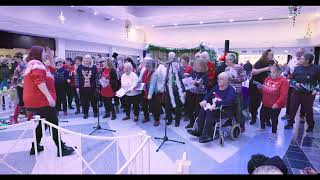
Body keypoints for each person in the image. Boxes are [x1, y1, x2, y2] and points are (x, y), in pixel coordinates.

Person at [23, 45, 74, 156]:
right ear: (37, 53)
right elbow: (39, 81)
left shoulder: (38, 65)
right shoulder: (36, 63)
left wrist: (50, 57)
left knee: (43, 123)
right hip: (41, 100)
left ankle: (35, 146)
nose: (44, 54)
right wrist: (49, 97)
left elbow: (53, 69)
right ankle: (61, 148)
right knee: (53, 123)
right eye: (43, 52)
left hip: (36, 100)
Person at [187, 72, 236, 143]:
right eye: (218, 78)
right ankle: (199, 130)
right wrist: (205, 100)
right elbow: (208, 94)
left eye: (221, 79)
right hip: (213, 108)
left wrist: (216, 103)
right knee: (204, 108)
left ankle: (207, 134)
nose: (218, 80)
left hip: (224, 110)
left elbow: (228, 101)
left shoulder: (230, 90)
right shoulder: (216, 87)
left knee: (209, 111)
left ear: (227, 81)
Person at [285, 53, 320, 132]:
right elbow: (292, 79)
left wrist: (316, 89)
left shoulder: (316, 69)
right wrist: (295, 83)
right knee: (292, 108)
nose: (300, 59)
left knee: (308, 110)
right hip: (296, 92)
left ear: (307, 61)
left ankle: (310, 125)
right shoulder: (297, 68)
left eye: (302, 58)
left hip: (309, 94)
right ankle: (290, 123)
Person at [257, 64, 289, 138]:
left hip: (275, 104)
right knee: (262, 115)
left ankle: (274, 132)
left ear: (279, 72)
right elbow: (264, 90)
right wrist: (260, 88)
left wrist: (277, 104)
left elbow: (283, 95)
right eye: (270, 72)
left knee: (274, 118)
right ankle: (262, 128)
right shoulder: (268, 78)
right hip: (265, 102)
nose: (271, 74)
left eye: (274, 72)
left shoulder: (283, 81)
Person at [249, 49, 274, 125]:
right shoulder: (259, 62)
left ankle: (267, 119)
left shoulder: (272, 63)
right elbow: (253, 72)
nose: (272, 56)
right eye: (270, 54)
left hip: (266, 86)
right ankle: (254, 117)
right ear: (265, 55)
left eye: (272, 55)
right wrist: (265, 69)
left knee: (267, 103)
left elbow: (274, 73)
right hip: (255, 85)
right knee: (254, 103)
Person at [224, 53, 248, 133]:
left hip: (237, 92)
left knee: (238, 109)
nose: (226, 60)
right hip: (228, 91)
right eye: (226, 59)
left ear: (232, 60)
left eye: (227, 59)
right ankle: (230, 121)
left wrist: (234, 78)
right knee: (229, 107)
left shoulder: (239, 67)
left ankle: (241, 124)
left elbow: (244, 78)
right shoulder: (227, 69)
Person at [281, 48, 306, 121]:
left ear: (303, 53)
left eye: (300, 52)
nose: (298, 53)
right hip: (292, 84)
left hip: (302, 84)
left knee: (302, 100)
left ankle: (302, 116)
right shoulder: (291, 60)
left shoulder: (305, 61)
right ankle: (288, 114)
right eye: (297, 52)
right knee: (289, 99)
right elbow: (287, 70)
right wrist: (283, 74)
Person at [185, 58, 209, 129]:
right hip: (191, 93)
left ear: (201, 65)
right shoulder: (193, 72)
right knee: (189, 109)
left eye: (197, 64)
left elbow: (204, 88)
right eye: (195, 64)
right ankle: (191, 123)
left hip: (200, 96)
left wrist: (196, 84)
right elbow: (190, 81)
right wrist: (187, 78)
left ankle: (198, 125)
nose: (195, 66)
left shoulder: (205, 75)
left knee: (197, 111)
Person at [9, 56, 33, 124]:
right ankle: (15, 117)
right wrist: (12, 85)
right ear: (24, 60)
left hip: (29, 86)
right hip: (20, 86)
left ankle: (30, 117)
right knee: (21, 102)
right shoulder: (20, 66)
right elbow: (15, 76)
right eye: (27, 59)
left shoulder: (30, 67)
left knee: (29, 101)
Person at [165, 52, 186, 127]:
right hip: (168, 88)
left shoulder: (179, 66)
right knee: (168, 105)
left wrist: (183, 90)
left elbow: (182, 78)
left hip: (177, 89)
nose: (170, 58)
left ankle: (177, 121)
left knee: (177, 106)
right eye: (169, 57)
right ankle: (169, 119)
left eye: (171, 57)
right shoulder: (167, 65)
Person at [76, 54, 99, 119]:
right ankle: (85, 113)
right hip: (82, 88)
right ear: (83, 59)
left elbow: (96, 77)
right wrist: (77, 86)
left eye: (88, 58)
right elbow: (77, 77)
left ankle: (95, 112)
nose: (87, 60)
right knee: (84, 101)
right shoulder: (80, 67)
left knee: (94, 100)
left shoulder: (94, 67)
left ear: (90, 60)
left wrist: (96, 85)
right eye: (85, 58)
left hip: (92, 87)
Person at [139, 59, 161, 126]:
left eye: (149, 67)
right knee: (144, 105)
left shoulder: (155, 73)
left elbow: (152, 85)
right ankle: (146, 117)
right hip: (145, 90)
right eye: (147, 66)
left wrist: (150, 95)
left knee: (154, 106)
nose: (148, 68)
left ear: (153, 67)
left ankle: (156, 119)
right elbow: (140, 79)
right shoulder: (145, 71)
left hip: (153, 92)